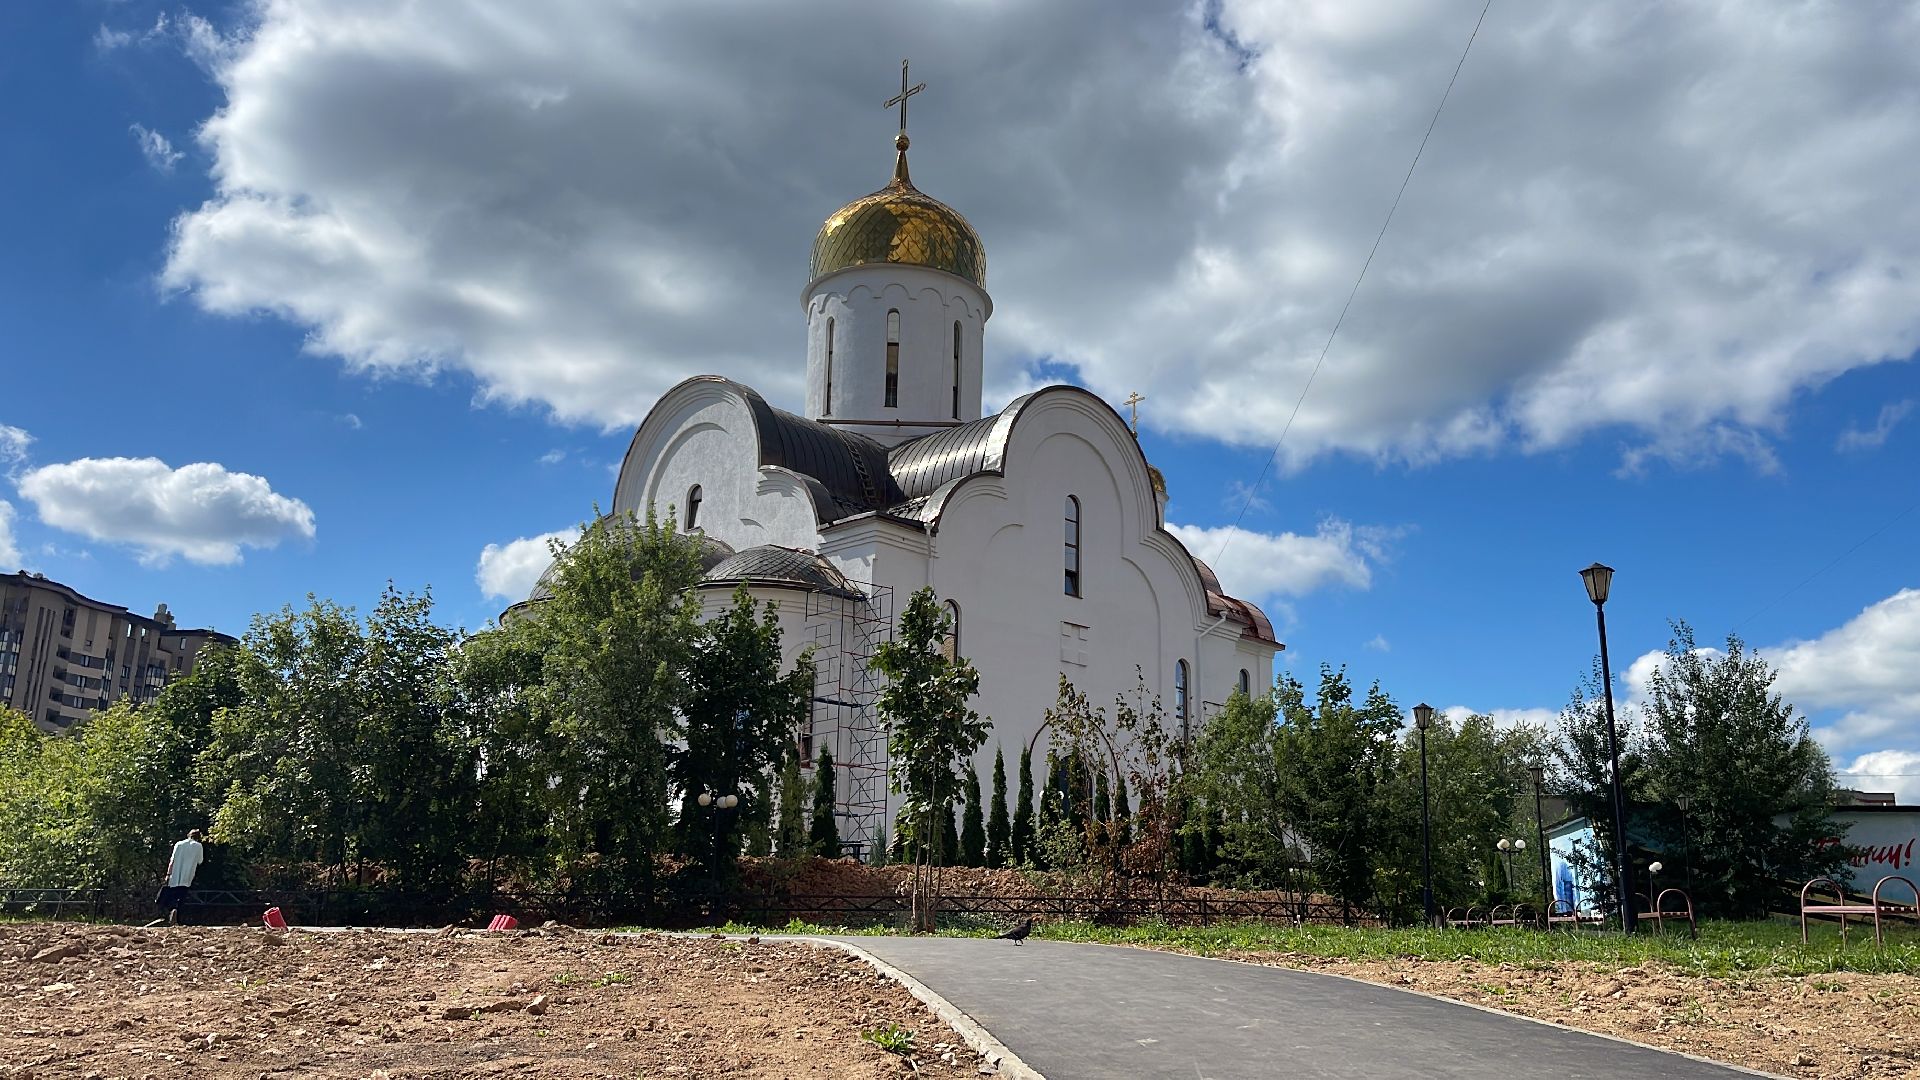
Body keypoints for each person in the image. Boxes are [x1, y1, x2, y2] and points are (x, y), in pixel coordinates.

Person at [158, 829, 205, 925]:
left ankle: (171, 910)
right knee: (182, 897)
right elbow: (200, 861)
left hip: (174, 876)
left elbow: (172, 860)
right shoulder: (198, 846)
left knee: (172, 895)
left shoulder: (179, 844)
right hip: (187, 877)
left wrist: (168, 874)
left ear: (188, 835)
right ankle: (178, 919)